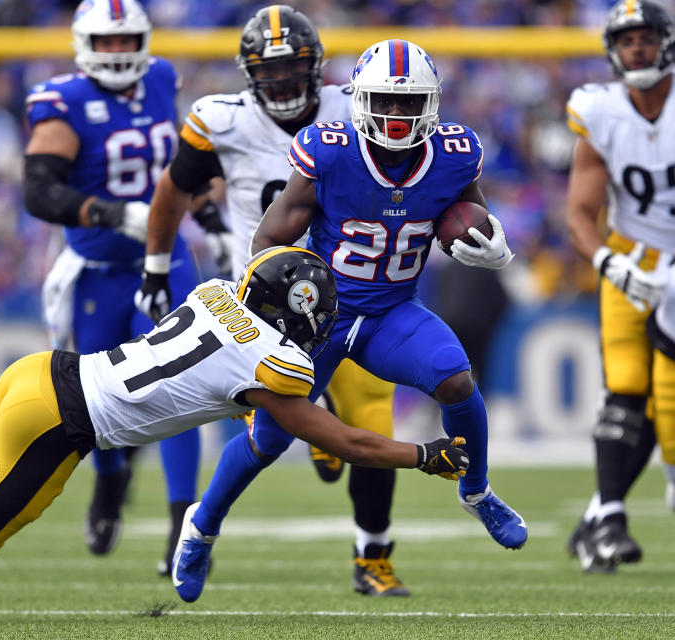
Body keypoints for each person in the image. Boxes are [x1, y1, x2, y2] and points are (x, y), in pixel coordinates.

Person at [0, 247, 470, 622]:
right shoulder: (272, 362)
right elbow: (344, 440)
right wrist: (422, 454)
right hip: (62, 423)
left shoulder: (215, 293)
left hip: (42, 372)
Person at [167, 38, 528, 604]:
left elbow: (467, 222)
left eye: (412, 104)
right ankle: (202, 524)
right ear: (361, 100)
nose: (399, 115)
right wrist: (276, 314)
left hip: (392, 312)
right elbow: (268, 239)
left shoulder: (456, 154)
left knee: (456, 378)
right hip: (322, 316)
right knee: (268, 438)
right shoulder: (328, 153)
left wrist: (493, 251)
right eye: (387, 100)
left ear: (432, 105)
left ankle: (477, 490)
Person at [135, 5, 408, 596]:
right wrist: (157, 263)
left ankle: (373, 554)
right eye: (270, 72)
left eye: (293, 70)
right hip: (262, 304)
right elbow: (173, 190)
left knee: (371, 418)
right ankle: (202, 522)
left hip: (352, 293)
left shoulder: (353, 108)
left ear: (317, 68)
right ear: (248, 73)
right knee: (268, 429)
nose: (283, 83)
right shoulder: (220, 120)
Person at [22, 0, 208, 570]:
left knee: (186, 389)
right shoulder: (62, 102)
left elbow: (185, 163)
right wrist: (104, 212)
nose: (120, 53)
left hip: (164, 258)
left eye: (128, 41)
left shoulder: (160, 79)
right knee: (95, 401)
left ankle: (183, 524)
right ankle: (109, 484)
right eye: (108, 42)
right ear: (85, 44)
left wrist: (210, 212)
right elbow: (39, 192)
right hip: (98, 274)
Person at [563, 0, 675, 573]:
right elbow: (580, 211)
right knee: (627, 391)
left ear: (666, 42)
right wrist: (609, 262)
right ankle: (607, 518)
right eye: (627, 39)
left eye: (647, 37)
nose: (637, 48)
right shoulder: (600, 112)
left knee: (663, 405)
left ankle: (597, 517)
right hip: (631, 259)